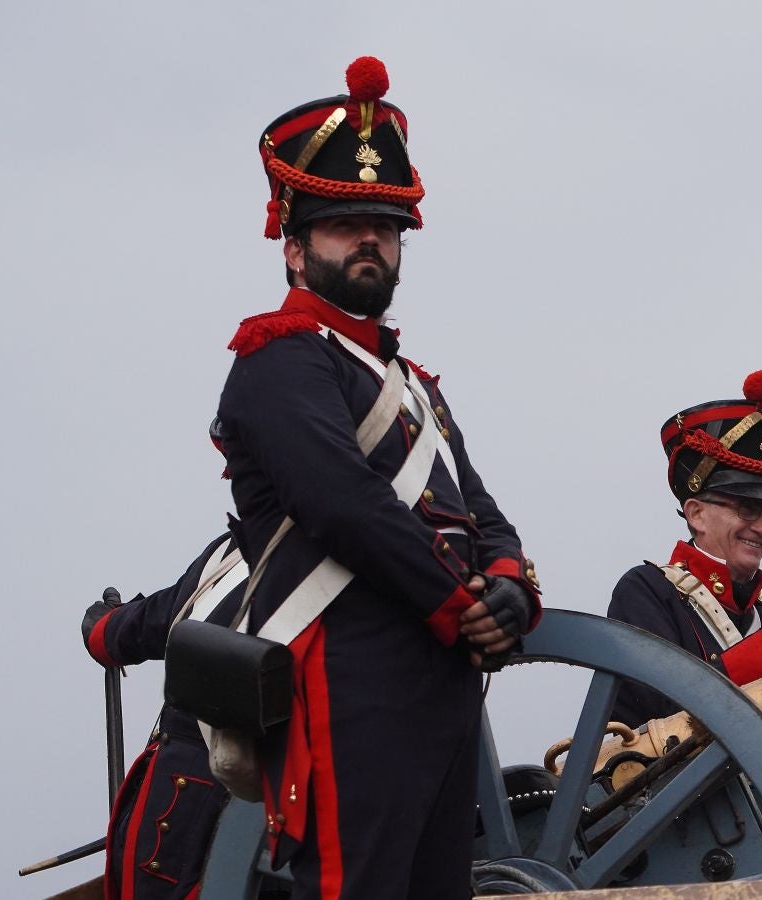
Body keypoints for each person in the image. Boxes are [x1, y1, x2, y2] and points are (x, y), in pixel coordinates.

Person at [214, 56, 541, 899]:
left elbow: (484, 516)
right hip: (349, 682)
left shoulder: (418, 387)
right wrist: (460, 606)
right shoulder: (275, 359)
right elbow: (342, 503)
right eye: (344, 223)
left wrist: (508, 587)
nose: (371, 239)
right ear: (292, 245)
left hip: (442, 686)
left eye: (387, 227)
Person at [607, 370, 762, 734]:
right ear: (697, 513)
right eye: (746, 510)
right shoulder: (647, 590)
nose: (761, 528)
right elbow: (673, 719)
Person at [81, 530, 247, 899]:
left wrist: (109, 632)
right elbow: (169, 612)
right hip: (173, 799)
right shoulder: (232, 548)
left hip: (234, 803)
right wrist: (108, 631)